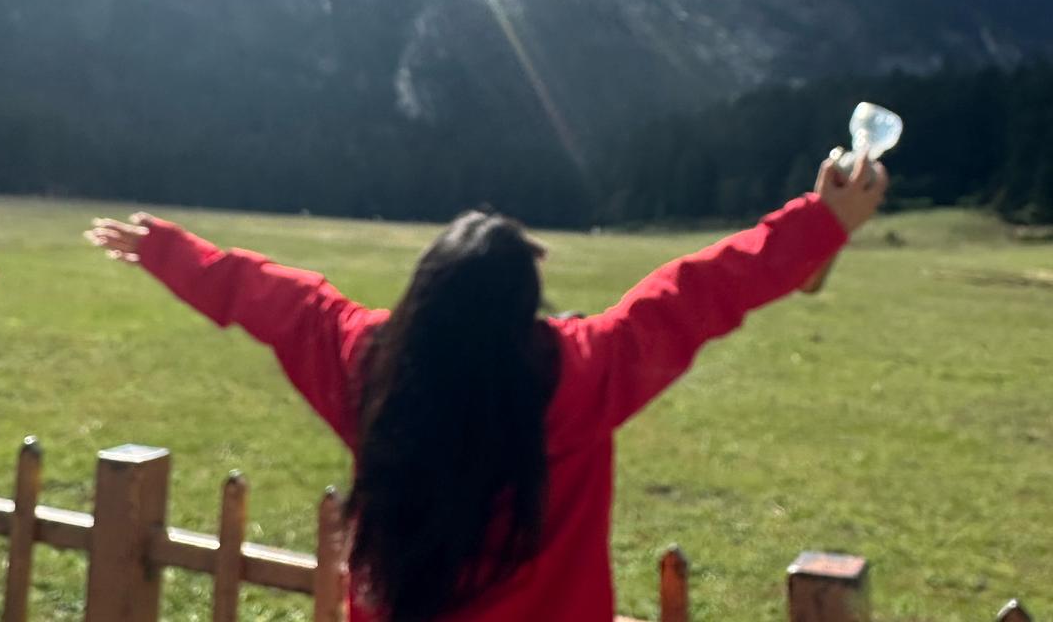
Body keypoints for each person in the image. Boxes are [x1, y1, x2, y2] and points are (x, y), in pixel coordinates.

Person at [84, 154, 887, 622]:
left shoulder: (371, 367)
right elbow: (697, 293)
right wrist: (822, 221)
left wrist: (167, 250)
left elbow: (280, 301)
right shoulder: (579, 374)